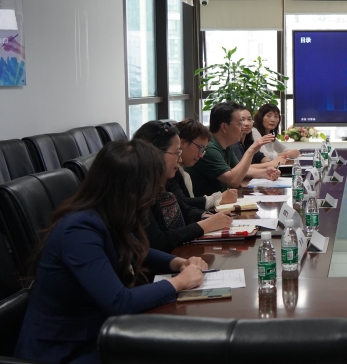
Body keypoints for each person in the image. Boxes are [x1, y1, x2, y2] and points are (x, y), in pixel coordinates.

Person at [15, 140, 207, 364]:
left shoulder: (108, 213)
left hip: (98, 333)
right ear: (132, 188)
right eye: (153, 185)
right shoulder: (78, 230)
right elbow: (119, 302)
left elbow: (136, 249)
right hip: (63, 350)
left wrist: (177, 263)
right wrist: (178, 283)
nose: (156, 192)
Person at [133, 121, 233, 252]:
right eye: (176, 153)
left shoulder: (161, 182)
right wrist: (205, 225)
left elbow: (183, 208)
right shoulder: (137, 191)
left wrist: (206, 217)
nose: (179, 160)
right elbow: (157, 242)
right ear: (156, 153)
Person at [185, 102, 275, 197]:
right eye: (239, 124)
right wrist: (251, 150)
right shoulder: (209, 148)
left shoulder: (227, 145)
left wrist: (265, 173)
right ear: (224, 127)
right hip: (207, 204)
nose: (243, 128)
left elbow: (240, 170)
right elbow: (234, 181)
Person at [172, 119, 239, 211]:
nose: (201, 155)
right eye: (200, 148)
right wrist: (218, 198)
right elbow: (182, 203)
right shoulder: (171, 171)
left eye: (203, 150)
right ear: (182, 143)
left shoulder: (182, 171)